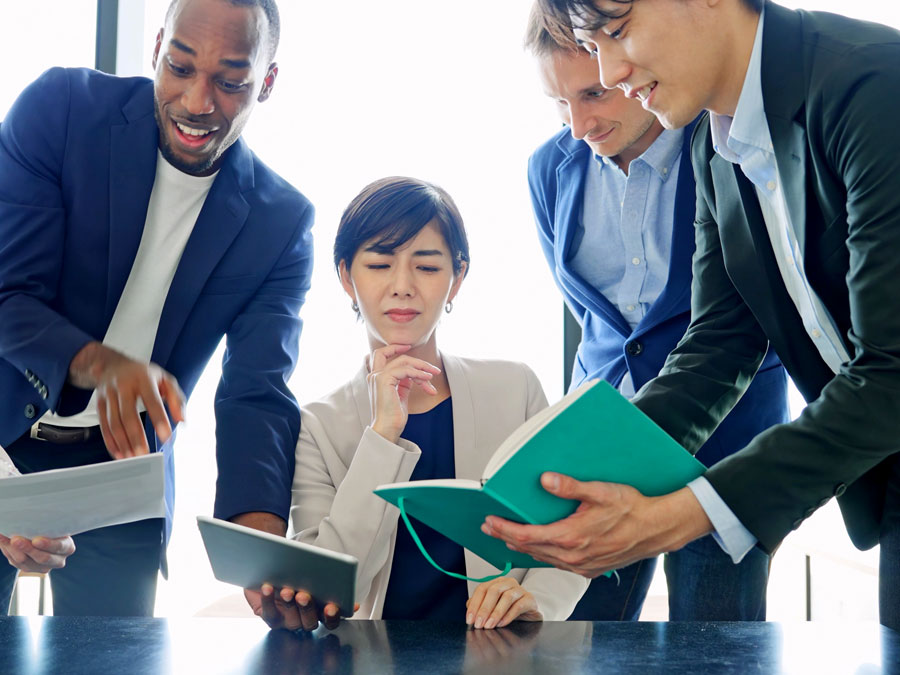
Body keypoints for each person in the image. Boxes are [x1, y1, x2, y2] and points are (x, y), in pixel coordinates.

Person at [483, 0, 900, 631]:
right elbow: (721, 340)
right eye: (595, 44)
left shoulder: (872, 84)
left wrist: (678, 514)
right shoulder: (715, 139)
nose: (612, 69)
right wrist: (582, 486)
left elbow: (894, 373)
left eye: (616, 32)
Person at [0, 0, 313, 617]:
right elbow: (7, 293)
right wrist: (104, 366)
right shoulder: (61, 111)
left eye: (230, 82)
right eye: (180, 66)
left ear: (267, 83)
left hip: (122, 478)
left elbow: (257, 395)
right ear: (156, 51)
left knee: (108, 663)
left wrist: (265, 557)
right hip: (3, 434)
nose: (198, 102)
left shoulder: (281, 223)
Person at [523, 4, 787, 621]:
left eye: (592, 94)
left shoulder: (724, 143)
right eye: (558, 104)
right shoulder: (548, 169)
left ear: (629, 65)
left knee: (716, 644)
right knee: (579, 636)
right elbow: (594, 315)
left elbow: (751, 310)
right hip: (602, 436)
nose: (579, 123)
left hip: (725, 441)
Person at [245, 176, 588, 631]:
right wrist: (383, 434)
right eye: (380, 264)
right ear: (347, 277)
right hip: (373, 658)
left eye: (426, 267)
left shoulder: (515, 388)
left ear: (457, 278)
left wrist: (535, 602)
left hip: (505, 650)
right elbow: (329, 587)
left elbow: (570, 528)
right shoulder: (317, 425)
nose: (403, 286)